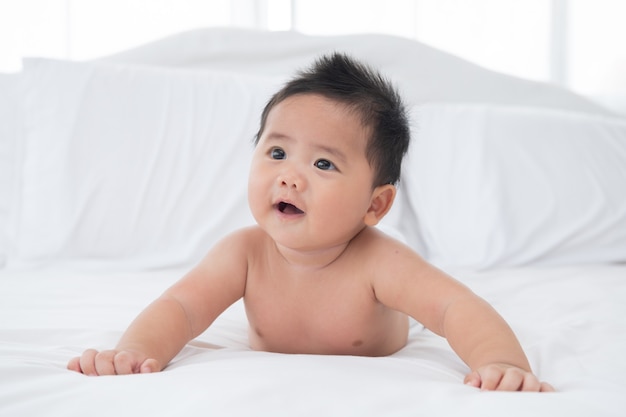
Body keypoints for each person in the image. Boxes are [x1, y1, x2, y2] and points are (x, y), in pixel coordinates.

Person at [68, 53, 553, 392]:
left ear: (375, 205)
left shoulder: (381, 261)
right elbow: (181, 308)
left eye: (323, 164)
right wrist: (133, 352)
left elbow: (454, 309)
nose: (290, 177)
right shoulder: (243, 253)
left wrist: (501, 363)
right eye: (277, 152)